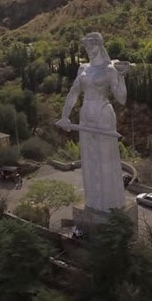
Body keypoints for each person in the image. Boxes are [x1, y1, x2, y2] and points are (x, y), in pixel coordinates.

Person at [56, 32, 130, 211]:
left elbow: (121, 99)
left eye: (93, 46)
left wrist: (121, 77)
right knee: (89, 158)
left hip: (103, 113)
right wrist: (65, 116)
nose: (89, 50)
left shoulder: (109, 69)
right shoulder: (83, 69)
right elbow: (73, 93)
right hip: (85, 115)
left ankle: (110, 203)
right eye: (87, 47)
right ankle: (94, 201)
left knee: (105, 158)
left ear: (100, 46)